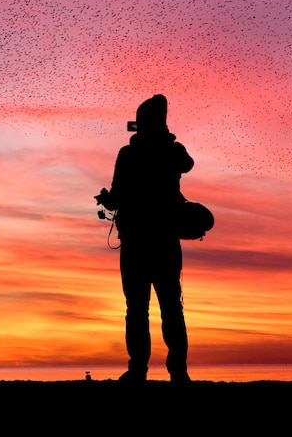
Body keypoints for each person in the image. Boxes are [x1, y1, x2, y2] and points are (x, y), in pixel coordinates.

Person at [95, 94, 194, 384]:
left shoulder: (129, 154)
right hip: (164, 241)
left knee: (137, 309)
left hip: (137, 242)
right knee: (171, 307)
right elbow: (187, 164)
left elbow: (115, 198)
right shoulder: (172, 150)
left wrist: (105, 199)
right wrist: (167, 140)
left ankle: (138, 369)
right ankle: (178, 372)